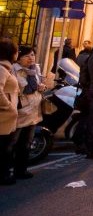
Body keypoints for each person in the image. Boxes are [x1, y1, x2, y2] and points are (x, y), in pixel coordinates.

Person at [10, 47, 48, 180]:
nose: (31, 58)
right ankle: (5, 171)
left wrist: (42, 87)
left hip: (33, 111)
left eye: (32, 55)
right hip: (20, 112)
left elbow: (38, 86)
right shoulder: (13, 70)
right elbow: (16, 90)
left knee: (27, 142)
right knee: (12, 142)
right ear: (18, 57)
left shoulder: (35, 70)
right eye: (27, 56)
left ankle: (21, 170)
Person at [0, 41, 19, 185]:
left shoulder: (8, 69)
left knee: (6, 147)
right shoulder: (2, 69)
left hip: (7, 117)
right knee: (4, 148)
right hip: (3, 116)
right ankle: (4, 175)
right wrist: (9, 107)